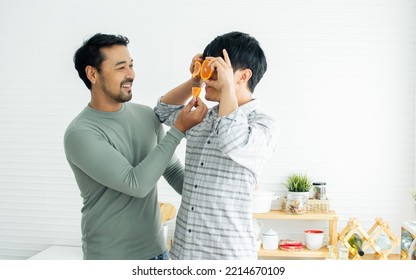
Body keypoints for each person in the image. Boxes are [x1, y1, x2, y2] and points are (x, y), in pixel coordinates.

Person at [64, 33, 207, 260]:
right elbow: (136, 184)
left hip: (157, 252)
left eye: (131, 65)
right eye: (121, 67)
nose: (131, 74)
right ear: (92, 73)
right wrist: (178, 129)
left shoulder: (144, 115)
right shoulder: (81, 133)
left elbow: (170, 170)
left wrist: (217, 193)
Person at [154, 31, 278, 259]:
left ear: (243, 77)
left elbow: (232, 141)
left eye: (217, 68)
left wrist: (227, 86)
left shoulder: (262, 126)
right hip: (183, 252)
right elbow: (162, 112)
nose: (209, 75)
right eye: (207, 67)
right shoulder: (202, 116)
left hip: (227, 256)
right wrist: (196, 79)